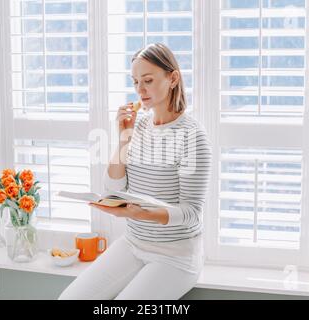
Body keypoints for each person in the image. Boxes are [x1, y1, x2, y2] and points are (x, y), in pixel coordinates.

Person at [58, 43, 212, 300]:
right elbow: (113, 190)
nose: (140, 90)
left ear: (173, 78)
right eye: (135, 82)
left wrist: (140, 213)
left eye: (148, 80)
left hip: (175, 255)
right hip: (133, 243)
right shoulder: (138, 125)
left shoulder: (192, 136)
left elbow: (191, 214)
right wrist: (123, 138)